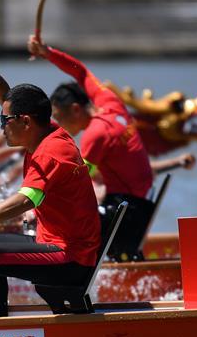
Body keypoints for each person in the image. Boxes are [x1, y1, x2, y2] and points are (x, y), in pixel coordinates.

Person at [0, 42, 101, 318]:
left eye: (5, 120)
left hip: (69, 258)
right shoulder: (47, 130)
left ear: (26, 122)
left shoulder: (51, 151)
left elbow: (29, 197)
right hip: (62, 245)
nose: (2, 127)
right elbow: (5, 94)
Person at [27, 36, 154, 261]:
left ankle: (53, 266)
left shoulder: (95, 135)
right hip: (140, 202)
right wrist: (48, 53)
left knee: (52, 219)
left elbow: (73, 183)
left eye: (58, 117)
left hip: (125, 212)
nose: (57, 124)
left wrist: (35, 205)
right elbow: (81, 73)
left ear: (75, 109)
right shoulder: (110, 102)